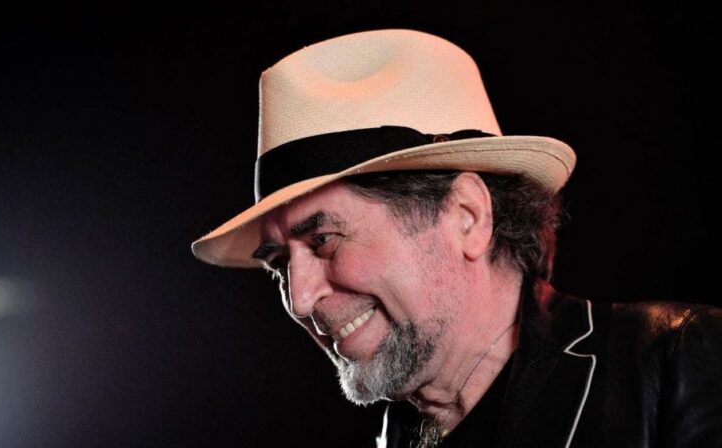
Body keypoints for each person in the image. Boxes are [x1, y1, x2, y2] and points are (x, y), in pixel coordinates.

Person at [191, 29, 722, 447]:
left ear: (466, 216)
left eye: (325, 240)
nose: (301, 299)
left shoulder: (680, 362)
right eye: (280, 265)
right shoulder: (393, 435)